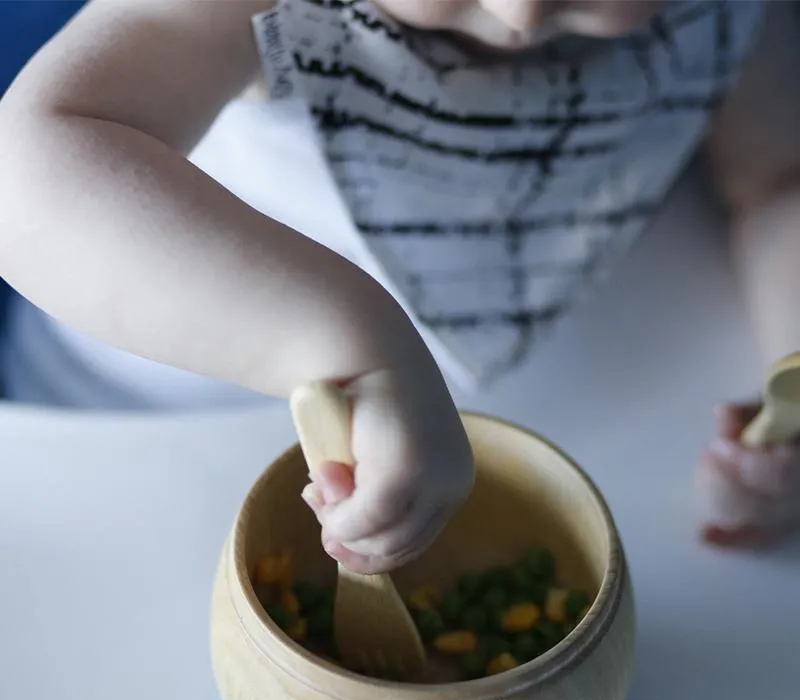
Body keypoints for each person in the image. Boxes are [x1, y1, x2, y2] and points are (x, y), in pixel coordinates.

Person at [0, 0, 798, 573]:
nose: (519, 13)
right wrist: (346, 352)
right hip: (137, 422)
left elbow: (779, 181)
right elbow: (26, 174)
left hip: (508, 422)